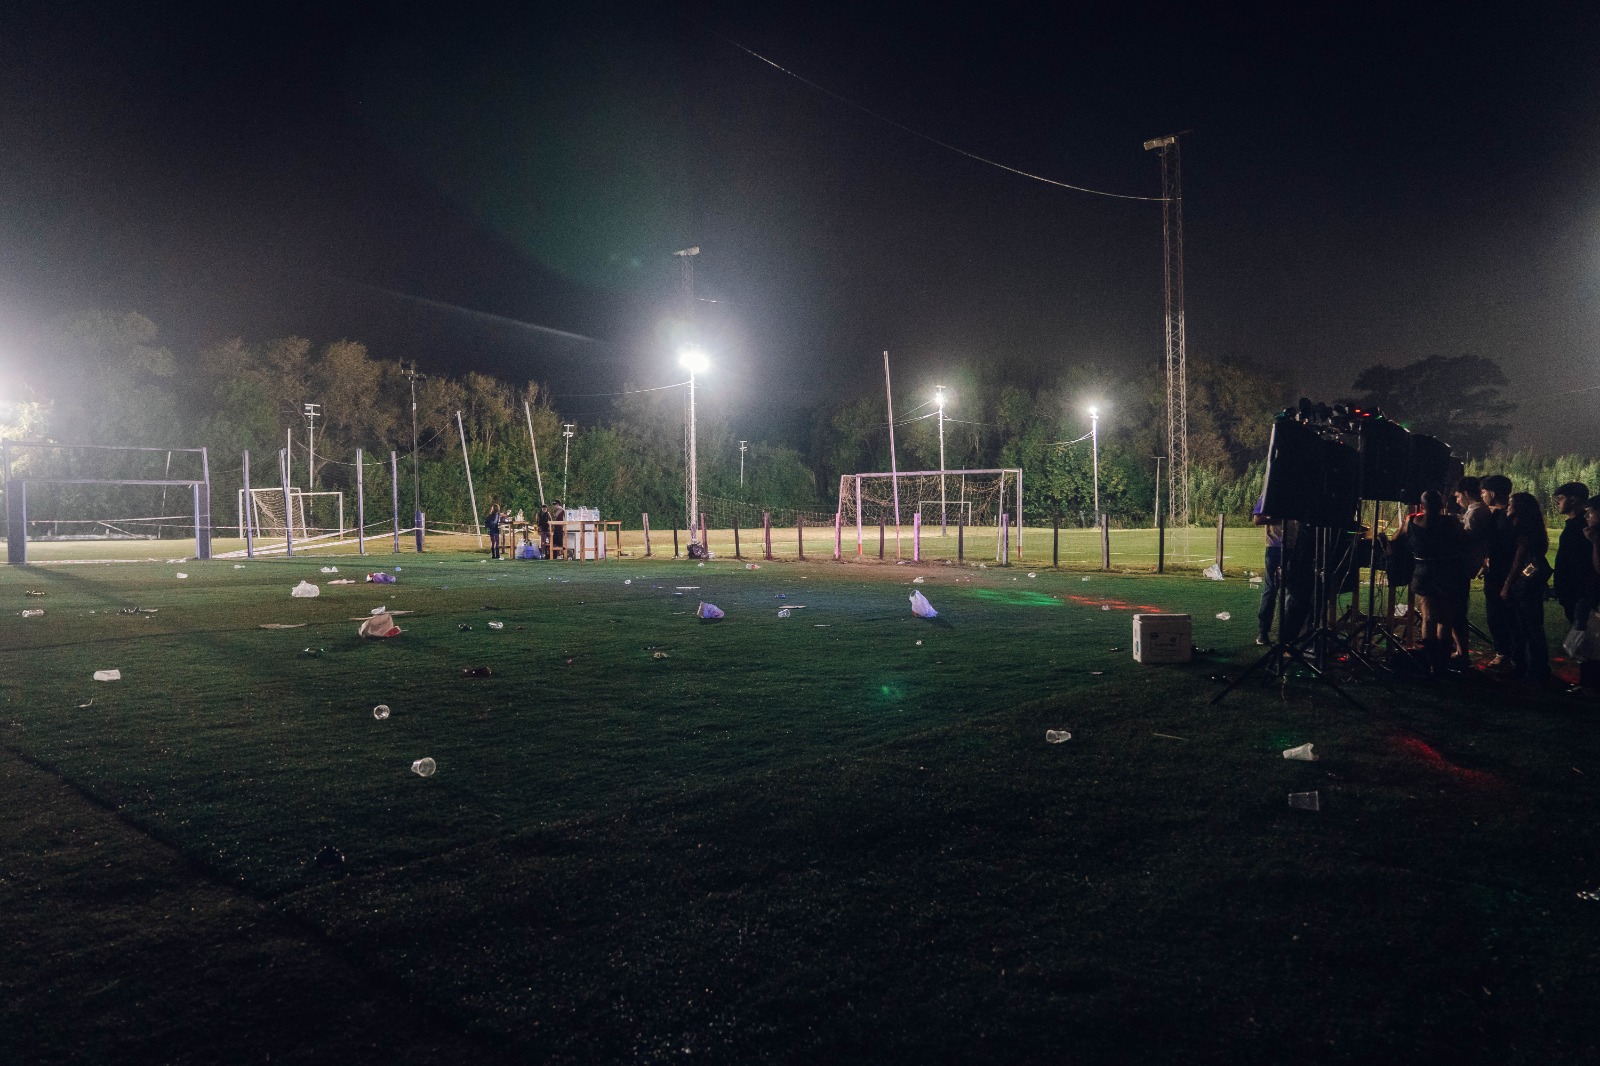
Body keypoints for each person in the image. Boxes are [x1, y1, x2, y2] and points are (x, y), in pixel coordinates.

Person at [1399, 490, 1466, 675]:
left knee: (1428, 617)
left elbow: (1398, 539)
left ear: (1422, 506)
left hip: (1423, 571)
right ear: (1442, 505)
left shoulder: (1411, 521)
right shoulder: (1451, 522)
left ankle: (1428, 660)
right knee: (1445, 618)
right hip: (1448, 572)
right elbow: (1463, 541)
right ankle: (1441, 663)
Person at [1501, 491, 1552, 685]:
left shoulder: (1525, 529)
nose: (1508, 506)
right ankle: (1530, 667)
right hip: (1530, 583)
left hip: (1525, 584)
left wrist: (1507, 583)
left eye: (1511, 503)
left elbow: (1519, 559)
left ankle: (1533, 670)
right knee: (1527, 626)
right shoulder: (1533, 527)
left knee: (1529, 627)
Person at [1478, 475, 1517, 671]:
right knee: (1505, 616)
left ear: (1492, 493)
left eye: (1483, 493)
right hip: (1499, 572)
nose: (1482, 496)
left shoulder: (1504, 518)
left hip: (1501, 574)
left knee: (1498, 615)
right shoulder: (1507, 516)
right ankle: (1510, 653)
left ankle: (1504, 653)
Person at [1551, 482, 1591, 625]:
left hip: (1579, 593)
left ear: (1573, 499)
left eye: (1561, 498)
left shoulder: (1584, 527)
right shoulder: (1574, 525)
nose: (1557, 502)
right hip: (1571, 593)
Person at [1251, 493, 1283, 646]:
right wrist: (1277, 519)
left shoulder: (1299, 491)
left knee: (1295, 592)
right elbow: (1257, 519)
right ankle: (1263, 631)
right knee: (1271, 590)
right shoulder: (1270, 492)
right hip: (1275, 548)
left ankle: (1290, 634)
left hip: (1296, 547)